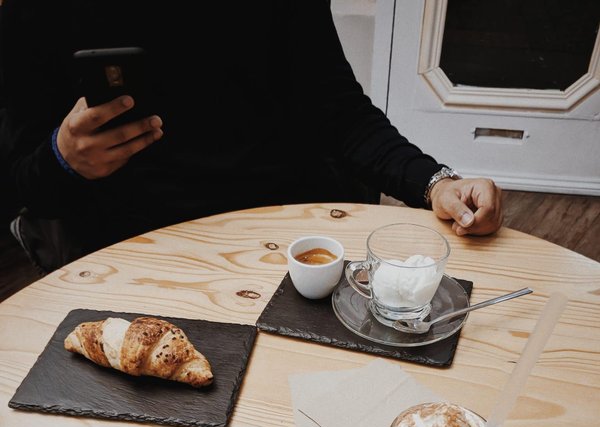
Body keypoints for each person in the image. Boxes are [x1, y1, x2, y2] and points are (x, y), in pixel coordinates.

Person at [0, 0, 503, 272]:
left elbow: (340, 112)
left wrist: (435, 182)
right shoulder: (36, 13)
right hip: (131, 245)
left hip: (282, 231)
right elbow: (22, 180)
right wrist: (64, 159)